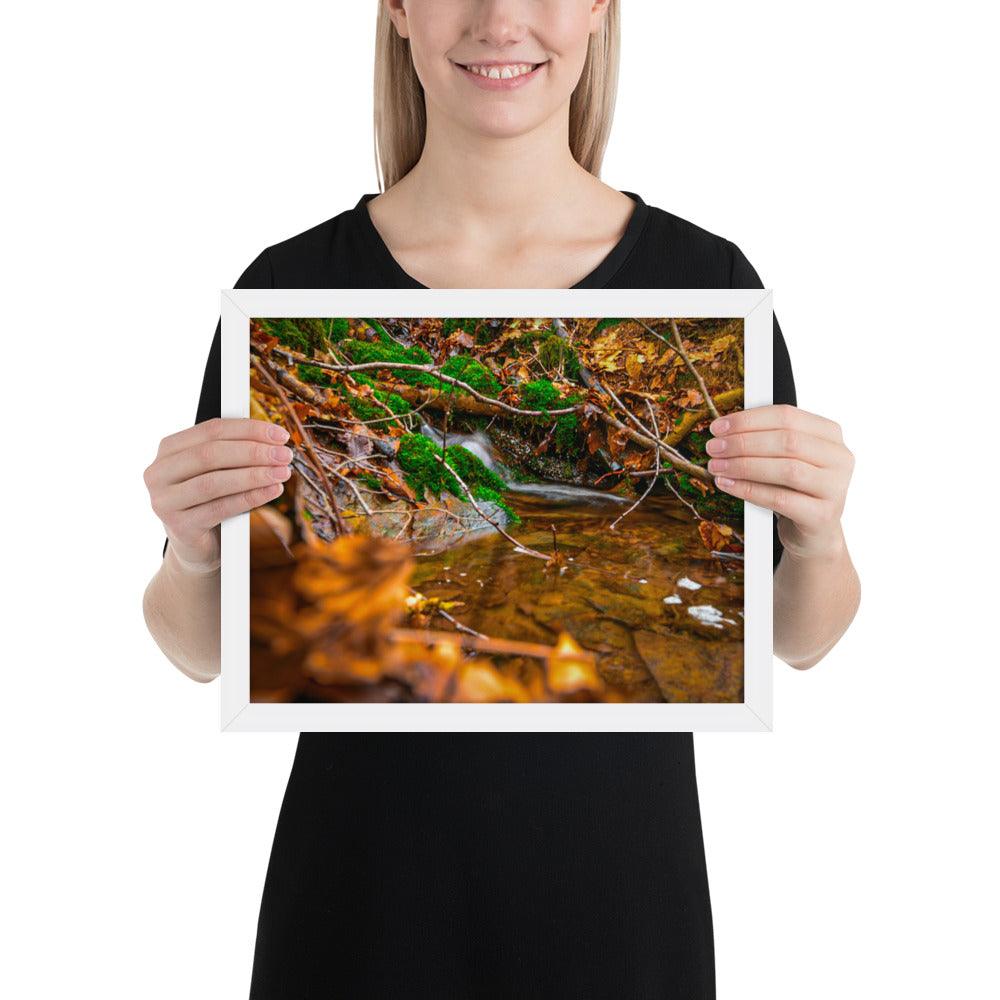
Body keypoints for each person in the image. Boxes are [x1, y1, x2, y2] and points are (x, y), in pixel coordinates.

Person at [142, 2, 860, 996]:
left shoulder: (705, 285)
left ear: (602, 9)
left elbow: (796, 638)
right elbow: (203, 650)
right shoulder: (292, 291)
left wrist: (819, 538)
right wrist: (193, 553)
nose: (500, 19)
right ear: (397, 9)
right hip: (360, 914)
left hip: (619, 913)